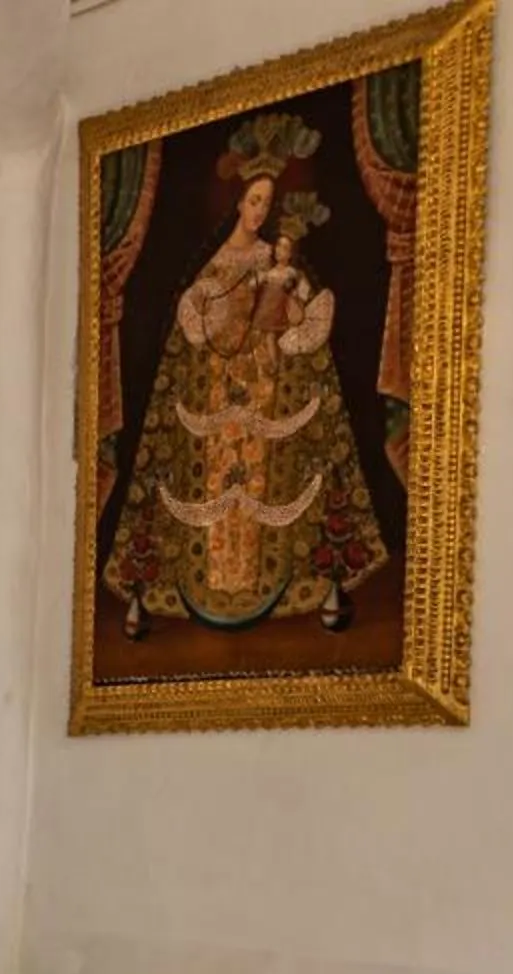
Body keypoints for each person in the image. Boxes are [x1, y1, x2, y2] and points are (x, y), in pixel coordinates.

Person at [105, 111, 388, 638]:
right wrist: (208, 323)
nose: (259, 210)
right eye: (253, 200)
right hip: (215, 386)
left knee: (258, 483)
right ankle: (213, 586)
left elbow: (293, 317)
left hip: (262, 385)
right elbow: (192, 317)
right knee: (217, 483)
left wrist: (285, 320)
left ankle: (260, 584)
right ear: (238, 201)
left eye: (266, 201)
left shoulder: (272, 258)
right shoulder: (215, 262)